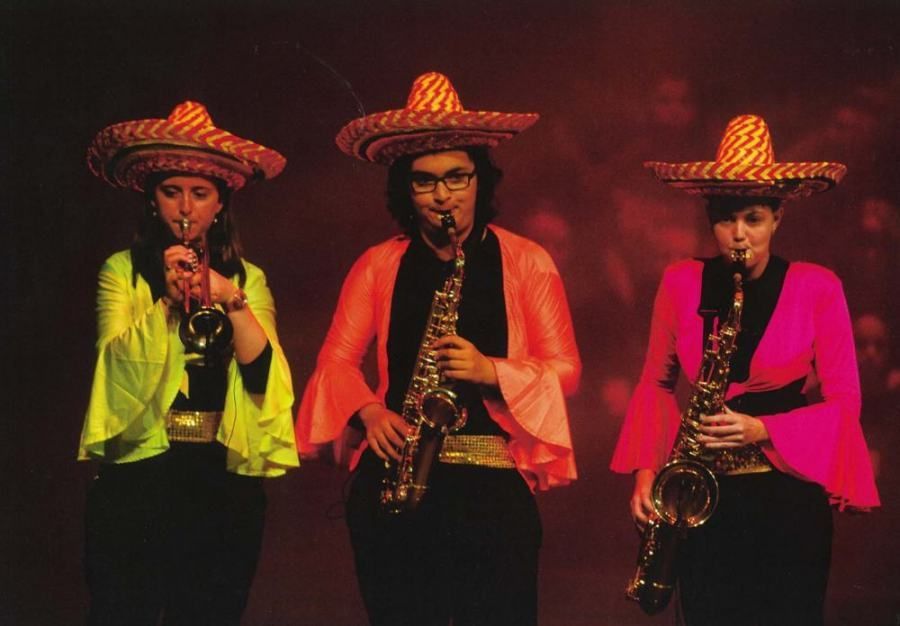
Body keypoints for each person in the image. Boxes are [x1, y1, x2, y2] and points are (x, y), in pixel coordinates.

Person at [295, 72, 581, 626]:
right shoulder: (378, 264)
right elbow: (334, 360)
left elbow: (565, 369)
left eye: (457, 178)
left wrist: (489, 369)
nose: (443, 195)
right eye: (425, 182)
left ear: (480, 178)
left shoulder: (527, 261)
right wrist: (369, 411)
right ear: (406, 188)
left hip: (491, 487)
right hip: (396, 481)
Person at [610, 114, 880, 625]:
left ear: (778, 216)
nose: (738, 235)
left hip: (786, 500)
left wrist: (762, 428)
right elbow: (655, 383)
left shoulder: (818, 287)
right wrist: (647, 473)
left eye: (753, 218)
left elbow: (846, 402)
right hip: (702, 497)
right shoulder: (681, 282)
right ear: (710, 218)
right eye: (726, 217)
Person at [79, 101, 299, 626]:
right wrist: (166, 306)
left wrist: (227, 296)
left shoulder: (248, 279)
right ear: (152, 201)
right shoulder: (122, 271)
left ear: (220, 204)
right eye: (171, 191)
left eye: (200, 194)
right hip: (139, 478)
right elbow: (112, 367)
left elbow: (265, 374)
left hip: (221, 482)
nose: (185, 207)